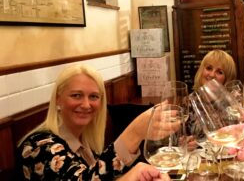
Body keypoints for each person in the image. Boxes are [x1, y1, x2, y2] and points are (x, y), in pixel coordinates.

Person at [16, 64, 170, 181]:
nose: (86, 104)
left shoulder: (85, 143)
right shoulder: (39, 146)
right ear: (58, 99)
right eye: (76, 95)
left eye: (94, 97)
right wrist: (135, 133)